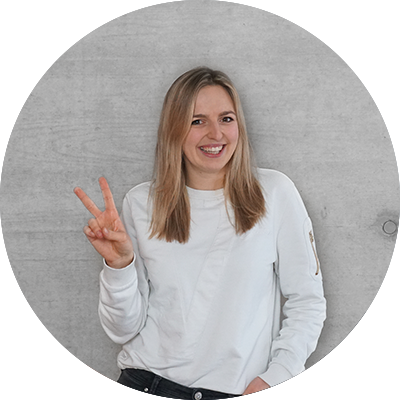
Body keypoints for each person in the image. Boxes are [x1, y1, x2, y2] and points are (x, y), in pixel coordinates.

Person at [74, 67, 326, 400]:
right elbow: (123, 329)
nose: (215, 134)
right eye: (197, 121)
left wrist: (277, 380)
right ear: (174, 130)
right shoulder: (141, 203)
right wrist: (118, 266)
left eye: (226, 119)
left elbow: (308, 302)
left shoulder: (275, 193)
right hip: (147, 388)